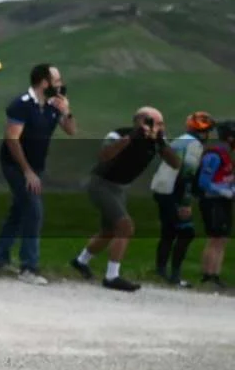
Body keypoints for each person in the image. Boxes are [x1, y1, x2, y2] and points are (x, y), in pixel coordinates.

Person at [70, 106, 181, 292]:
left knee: (108, 231)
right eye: (154, 123)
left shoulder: (156, 142)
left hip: (120, 188)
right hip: (102, 184)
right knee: (125, 226)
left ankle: (80, 261)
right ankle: (112, 276)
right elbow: (104, 155)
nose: (159, 127)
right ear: (140, 121)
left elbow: (175, 163)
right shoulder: (119, 134)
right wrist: (131, 138)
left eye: (161, 123)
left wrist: (161, 143)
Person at [0, 63, 76, 285]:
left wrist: (67, 111)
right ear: (44, 83)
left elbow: (71, 131)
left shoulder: (53, 105)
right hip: (15, 164)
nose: (60, 84)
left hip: (36, 166)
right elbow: (12, 139)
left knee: (19, 211)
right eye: (57, 80)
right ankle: (29, 267)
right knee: (34, 211)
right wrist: (27, 171)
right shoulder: (21, 105)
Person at [149, 111, 213, 287]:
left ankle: (161, 271)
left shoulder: (181, 139)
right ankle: (175, 276)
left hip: (161, 187)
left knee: (168, 232)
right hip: (173, 191)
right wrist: (185, 203)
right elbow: (187, 174)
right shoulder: (194, 145)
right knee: (186, 232)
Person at [194, 120, 234, 289]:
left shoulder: (226, 155)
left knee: (222, 239)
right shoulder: (214, 155)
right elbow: (204, 182)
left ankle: (215, 274)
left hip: (224, 201)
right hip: (212, 201)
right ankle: (207, 275)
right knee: (214, 238)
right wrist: (222, 191)